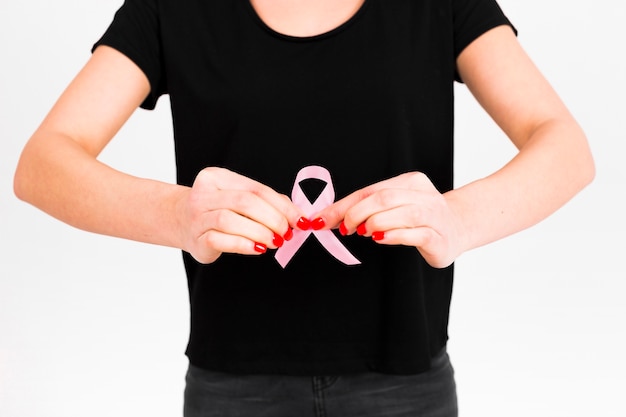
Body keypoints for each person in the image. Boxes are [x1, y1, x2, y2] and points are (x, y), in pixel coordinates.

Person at [13, 0, 595, 416]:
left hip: (404, 384)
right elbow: (42, 164)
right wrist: (178, 214)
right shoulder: (169, 9)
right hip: (233, 389)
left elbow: (565, 147)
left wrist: (460, 218)